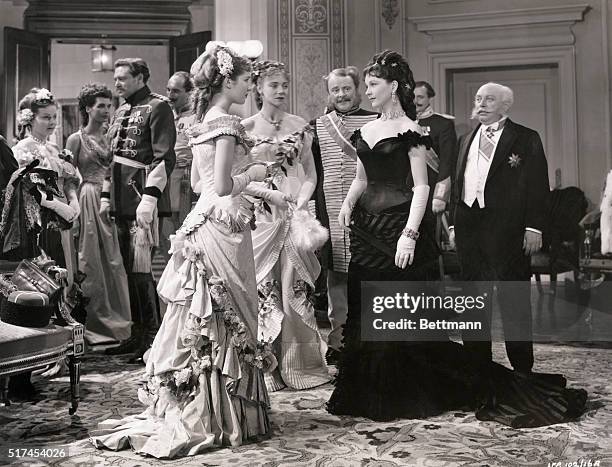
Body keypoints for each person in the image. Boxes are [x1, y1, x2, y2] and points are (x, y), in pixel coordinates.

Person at [327, 54, 587, 427]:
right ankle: (367, 391)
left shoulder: (414, 131)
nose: (365, 90)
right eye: (365, 84)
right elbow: (362, 178)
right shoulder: (368, 130)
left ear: (393, 86)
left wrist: (410, 235)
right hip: (368, 231)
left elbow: (421, 188)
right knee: (366, 311)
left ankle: (438, 384)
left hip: (404, 230)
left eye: (372, 84)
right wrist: (348, 204)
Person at [90, 45, 274, 458]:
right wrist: (260, 169)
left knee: (201, 312)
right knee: (224, 314)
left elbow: (198, 183)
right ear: (228, 82)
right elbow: (226, 187)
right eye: (247, 81)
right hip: (223, 228)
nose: (251, 87)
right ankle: (217, 412)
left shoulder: (205, 121)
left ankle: (198, 401)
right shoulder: (225, 123)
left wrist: (265, 192)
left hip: (203, 223)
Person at [242, 60, 331, 392]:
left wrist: (304, 200)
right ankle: (266, 367)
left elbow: (310, 174)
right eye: (273, 85)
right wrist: (269, 194)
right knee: (265, 291)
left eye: (284, 85)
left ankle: (300, 364)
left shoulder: (300, 126)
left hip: (293, 217)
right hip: (261, 219)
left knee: (294, 289)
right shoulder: (245, 127)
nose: (280, 91)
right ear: (258, 89)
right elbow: (235, 181)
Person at [102, 58, 176, 363]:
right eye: (116, 78)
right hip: (121, 202)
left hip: (142, 201)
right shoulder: (120, 110)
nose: (117, 83)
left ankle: (152, 337)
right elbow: (112, 158)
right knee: (129, 273)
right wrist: (107, 196)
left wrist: (149, 198)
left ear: (141, 77)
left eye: (122, 78)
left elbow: (164, 158)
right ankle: (135, 334)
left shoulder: (158, 107)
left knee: (142, 273)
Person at [310, 66, 378, 365]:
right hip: (330, 210)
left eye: (346, 89)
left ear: (357, 89)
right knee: (336, 277)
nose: (341, 95)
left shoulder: (376, 122)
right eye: (335, 90)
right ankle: (338, 339)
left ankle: (367, 340)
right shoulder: (319, 125)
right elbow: (313, 173)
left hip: (367, 210)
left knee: (367, 276)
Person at [65, 83, 131, 345]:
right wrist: (74, 206)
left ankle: (123, 323)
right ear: (87, 108)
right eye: (100, 105)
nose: (106, 110)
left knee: (116, 261)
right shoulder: (75, 139)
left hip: (115, 199)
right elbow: (68, 178)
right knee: (91, 261)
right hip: (89, 198)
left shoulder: (114, 135)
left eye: (108, 105)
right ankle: (96, 325)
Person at [163, 72, 197, 246]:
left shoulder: (198, 117)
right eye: (168, 90)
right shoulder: (165, 116)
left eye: (175, 91)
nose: (170, 95)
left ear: (189, 93)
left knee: (185, 229)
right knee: (166, 232)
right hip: (167, 179)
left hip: (187, 179)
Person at [414, 81, 457, 214]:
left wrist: (440, 196)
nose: (415, 101)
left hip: (430, 190)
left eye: (420, 97)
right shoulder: (403, 122)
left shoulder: (443, 124)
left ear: (429, 98)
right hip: (405, 192)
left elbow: (447, 162)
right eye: (412, 97)